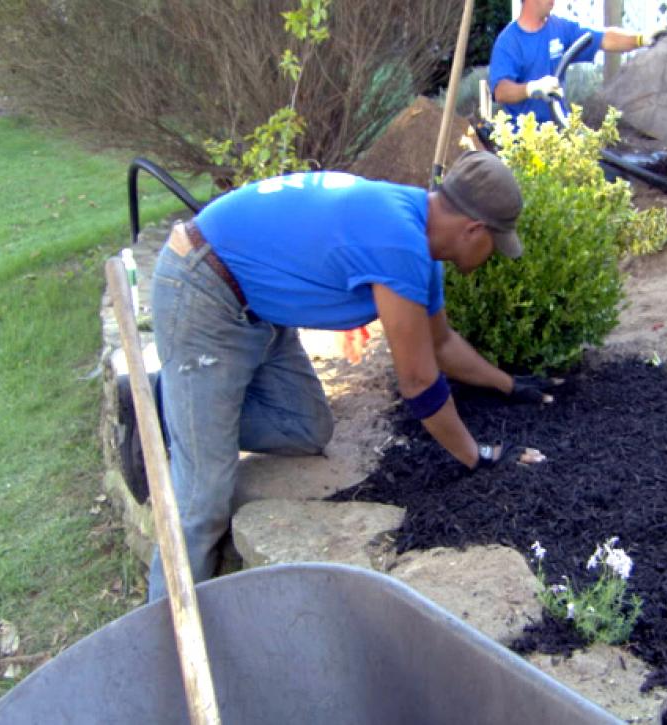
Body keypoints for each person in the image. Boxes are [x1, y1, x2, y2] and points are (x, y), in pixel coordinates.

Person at [146, 151, 552, 602]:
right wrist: (477, 455)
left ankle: (181, 406)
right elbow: (418, 382)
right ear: (474, 229)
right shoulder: (399, 243)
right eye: (496, 243)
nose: (495, 253)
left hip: (259, 307)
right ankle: (162, 633)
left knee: (306, 428)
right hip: (205, 287)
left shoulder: (417, 237)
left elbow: (440, 344)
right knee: (203, 500)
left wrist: (509, 384)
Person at [489, 0, 667, 124]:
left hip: (559, 128)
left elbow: (604, 38)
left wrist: (640, 39)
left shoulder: (560, 28)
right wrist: (532, 88)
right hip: (523, 138)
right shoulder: (509, 41)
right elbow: (501, 91)